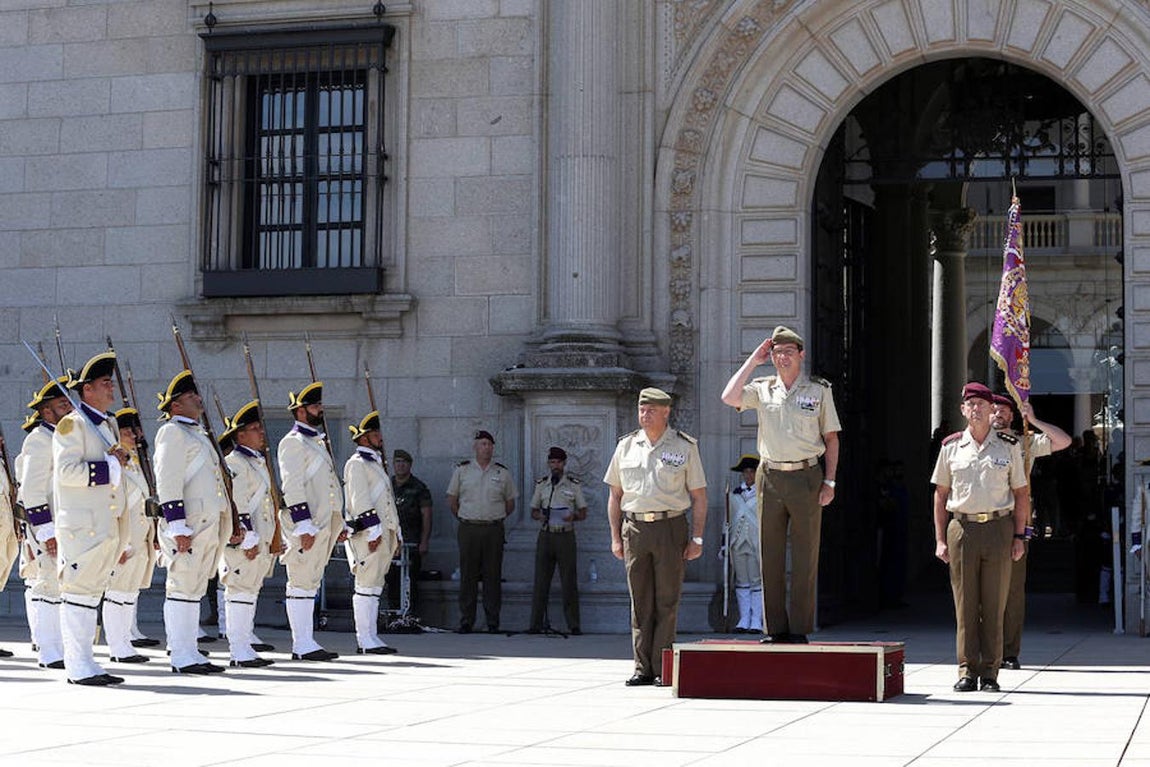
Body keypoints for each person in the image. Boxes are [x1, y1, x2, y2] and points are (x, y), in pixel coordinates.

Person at [720, 325, 841, 644]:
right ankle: (774, 627)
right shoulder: (763, 388)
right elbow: (729, 396)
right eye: (776, 353)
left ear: (801, 355)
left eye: (788, 352)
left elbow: (831, 438)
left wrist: (829, 481)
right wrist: (752, 362)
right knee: (769, 553)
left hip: (806, 476)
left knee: (805, 554)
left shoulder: (818, 390)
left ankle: (799, 627)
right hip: (770, 475)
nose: (782, 358)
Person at [605, 387, 707, 686]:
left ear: (666, 412)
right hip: (635, 528)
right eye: (641, 409)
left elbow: (699, 496)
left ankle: (663, 667)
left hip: (670, 527)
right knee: (640, 601)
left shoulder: (684, 446)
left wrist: (697, 539)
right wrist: (615, 537)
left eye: (650, 409)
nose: (644, 414)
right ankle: (641, 667)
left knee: (666, 600)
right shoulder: (626, 446)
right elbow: (614, 495)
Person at [932, 382, 1028, 693]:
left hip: (999, 528)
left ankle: (990, 672)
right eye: (970, 404)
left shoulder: (1009, 446)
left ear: (992, 411)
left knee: (994, 602)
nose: (976, 409)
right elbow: (940, 494)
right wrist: (940, 539)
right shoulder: (950, 447)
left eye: (981, 405)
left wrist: (1019, 536)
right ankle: (966, 669)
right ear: (962, 410)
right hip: (962, 528)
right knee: (965, 604)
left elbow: (1021, 493)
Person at [52, 352, 130, 686]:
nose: (111, 389)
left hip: (103, 523)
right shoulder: (72, 425)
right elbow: (67, 472)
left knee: (90, 593)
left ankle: (87, 660)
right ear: (86, 390)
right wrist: (110, 467)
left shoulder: (106, 425)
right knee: (78, 593)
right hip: (83, 526)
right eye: (104, 383)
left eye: (110, 382)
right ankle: (77, 665)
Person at [154, 370, 230, 675]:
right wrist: (177, 525)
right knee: (181, 587)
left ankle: (190, 650)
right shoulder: (172, 432)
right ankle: (180, 655)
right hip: (188, 525)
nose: (198, 399)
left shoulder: (196, 433)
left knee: (194, 589)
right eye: (190, 397)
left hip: (205, 524)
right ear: (175, 406)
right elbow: (167, 482)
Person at [991, 394, 1070, 670]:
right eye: (994, 409)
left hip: (1015, 516)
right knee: (982, 591)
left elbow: (1063, 441)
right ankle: (986, 650)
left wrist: (1033, 420)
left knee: (1012, 589)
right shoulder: (973, 442)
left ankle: (1009, 651)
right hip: (984, 519)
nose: (997, 414)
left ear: (1012, 416)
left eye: (1003, 410)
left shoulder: (1023, 440)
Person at [278, 381, 345, 661]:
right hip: (308, 524)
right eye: (316, 406)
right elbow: (292, 485)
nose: (321, 410)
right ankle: (301, 643)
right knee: (301, 581)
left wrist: (338, 523)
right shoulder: (293, 443)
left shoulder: (315, 442)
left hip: (323, 524)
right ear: (302, 411)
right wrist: (303, 523)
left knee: (311, 582)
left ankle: (307, 641)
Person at [218, 401, 279, 668]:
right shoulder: (235, 462)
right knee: (239, 591)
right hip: (246, 538)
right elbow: (237, 501)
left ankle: (245, 647)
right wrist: (248, 534)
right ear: (240, 435)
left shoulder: (256, 461)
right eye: (255, 429)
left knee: (249, 592)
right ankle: (238, 650)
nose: (261, 433)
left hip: (260, 536)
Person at [17, 378, 72, 670]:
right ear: (46, 411)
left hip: (68, 522)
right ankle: (50, 652)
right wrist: (45, 530)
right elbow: (33, 491)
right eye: (62, 404)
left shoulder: (65, 437)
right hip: (47, 524)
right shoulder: (38, 439)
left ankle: (61, 647)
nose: (69, 407)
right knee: (49, 584)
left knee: (64, 586)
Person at [101, 408, 158, 665]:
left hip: (140, 538)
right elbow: (110, 504)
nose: (134, 435)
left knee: (129, 593)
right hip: (124, 539)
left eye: (134, 431)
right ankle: (117, 646)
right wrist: (117, 542)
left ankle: (125, 642)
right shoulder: (112, 464)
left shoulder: (135, 462)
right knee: (116, 593)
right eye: (127, 431)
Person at [447, 430, 517, 634]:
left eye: (490, 444)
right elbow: (452, 500)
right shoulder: (463, 471)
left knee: (492, 576)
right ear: (475, 447)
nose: (487, 448)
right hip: (469, 527)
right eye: (483, 444)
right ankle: (466, 620)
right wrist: (463, 516)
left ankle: (492, 621)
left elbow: (510, 503)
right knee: (468, 575)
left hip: (493, 529)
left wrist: (496, 516)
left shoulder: (502, 473)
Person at [343, 411, 401, 654]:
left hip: (383, 532)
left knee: (375, 586)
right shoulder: (356, 464)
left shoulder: (374, 463)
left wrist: (396, 532)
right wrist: (374, 530)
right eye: (375, 433)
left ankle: (372, 636)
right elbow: (360, 499)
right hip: (369, 533)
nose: (380, 438)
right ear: (364, 438)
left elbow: (388, 501)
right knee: (365, 584)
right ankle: (364, 638)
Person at [527, 446, 588, 635]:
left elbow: (583, 512)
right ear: (549, 464)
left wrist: (573, 517)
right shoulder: (543, 485)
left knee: (568, 580)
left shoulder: (573, 485)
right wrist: (540, 517)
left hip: (565, 535)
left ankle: (573, 624)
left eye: (558, 462)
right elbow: (533, 510)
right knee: (541, 581)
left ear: (564, 463)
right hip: (546, 534)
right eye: (552, 462)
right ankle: (535, 623)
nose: (555, 466)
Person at [387, 449, 432, 618]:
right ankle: (393, 617)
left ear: (410, 465)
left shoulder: (419, 487)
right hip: (390, 544)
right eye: (397, 462)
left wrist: (424, 541)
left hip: (411, 544)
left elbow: (426, 514)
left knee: (410, 582)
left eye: (404, 462)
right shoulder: (387, 485)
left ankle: (409, 617)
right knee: (391, 581)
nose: (400, 465)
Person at [727, 454, 763, 633]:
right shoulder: (734, 494)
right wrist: (724, 544)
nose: (749, 475)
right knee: (741, 580)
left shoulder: (763, 494)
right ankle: (744, 619)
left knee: (757, 580)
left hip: (755, 542)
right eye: (746, 472)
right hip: (737, 542)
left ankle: (757, 620)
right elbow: (727, 521)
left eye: (752, 472)